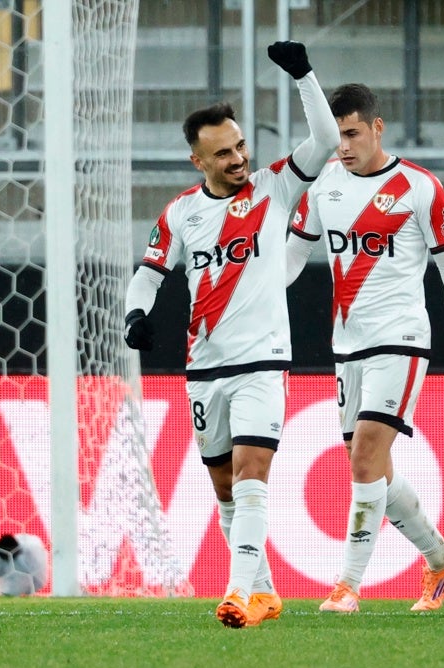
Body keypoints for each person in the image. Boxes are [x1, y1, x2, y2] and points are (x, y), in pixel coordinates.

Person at [123, 41, 339, 627]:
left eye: (241, 146)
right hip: (204, 368)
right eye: (224, 153)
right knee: (224, 487)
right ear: (199, 161)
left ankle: (239, 591)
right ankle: (264, 590)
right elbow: (147, 273)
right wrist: (135, 314)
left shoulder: (273, 189)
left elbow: (323, 141)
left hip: (263, 362)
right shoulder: (180, 214)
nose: (239, 158)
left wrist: (304, 76)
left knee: (250, 474)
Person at [286, 82, 444, 613]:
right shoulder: (322, 185)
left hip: (402, 339)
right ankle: (442, 559)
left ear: (377, 128)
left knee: (367, 454)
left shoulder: (419, 187)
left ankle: (347, 584)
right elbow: (289, 260)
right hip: (346, 346)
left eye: (352, 133)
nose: (343, 146)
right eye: (336, 137)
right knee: (370, 464)